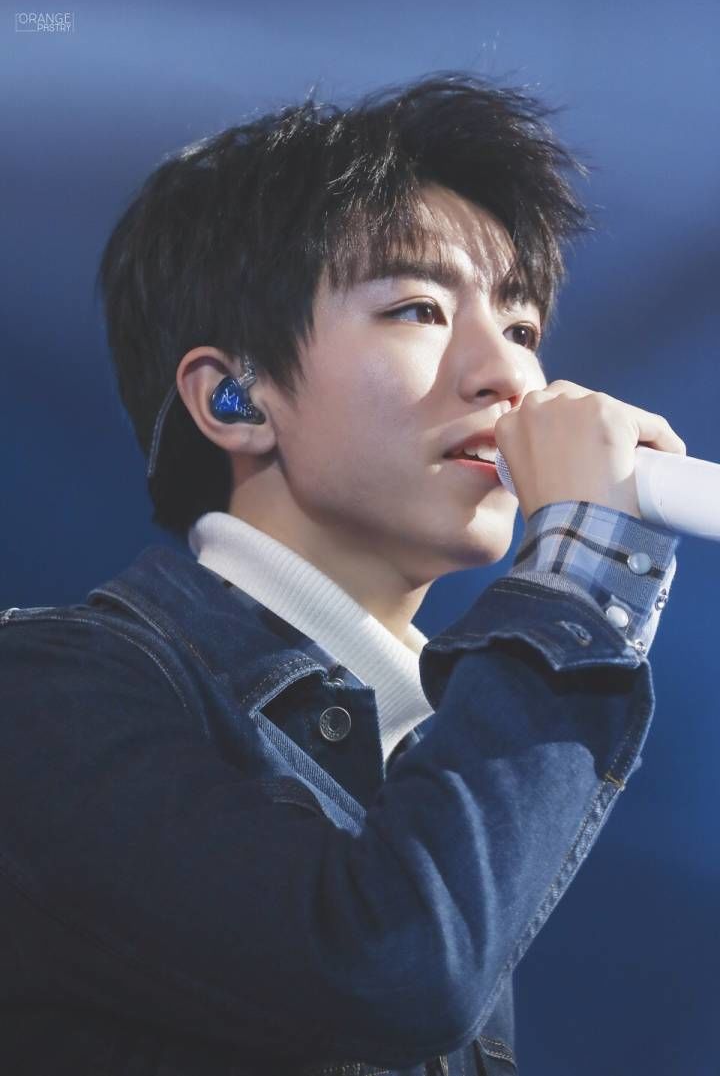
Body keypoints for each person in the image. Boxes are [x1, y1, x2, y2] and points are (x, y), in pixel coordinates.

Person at [0, 72, 684, 1076]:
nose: (510, 375)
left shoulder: (442, 756)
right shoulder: (45, 689)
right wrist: (579, 578)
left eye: (523, 328)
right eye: (417, 308)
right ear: (235, 399)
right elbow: (390, 962)